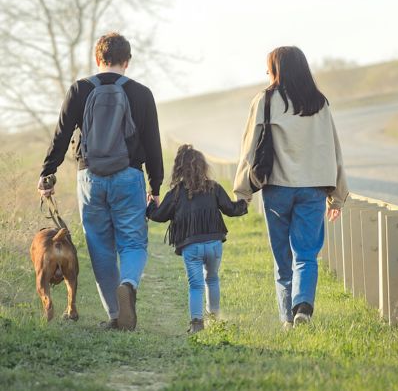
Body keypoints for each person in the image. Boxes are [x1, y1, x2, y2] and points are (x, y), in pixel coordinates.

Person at [37, 32, 163, 330]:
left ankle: (116, 316)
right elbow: (153, 142)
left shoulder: (80, 89)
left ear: (98, 59)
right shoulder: (141, 93)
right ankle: (129, 284)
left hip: (89, 177)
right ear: (127, 62)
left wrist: (47, 174)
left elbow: (61, 135)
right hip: (129, 175)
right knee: (133, 242)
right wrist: (155, 187)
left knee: (100, 247)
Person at [234, 46, 348, 329]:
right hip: (313, 189)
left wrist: (242, 191)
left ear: (277, 69)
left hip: (278, 187)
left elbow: (249, 146)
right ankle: (303, 307)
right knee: (306, 253)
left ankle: (288, 319)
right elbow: (334, 149)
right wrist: (338, 196)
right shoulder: (319, 102)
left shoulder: (266, 99)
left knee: (282, 256)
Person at [147, 144, 247, 334]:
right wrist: (244, 203)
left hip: (191, 247)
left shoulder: (175, 193)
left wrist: (150, 205)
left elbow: (159, 215)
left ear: (178, 169)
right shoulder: (214, 188)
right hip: (214, 244)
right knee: (212, 279)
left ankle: (196, 323)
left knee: (195, 285)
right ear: (203, 166)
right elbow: (231, 209)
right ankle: (215, 318)